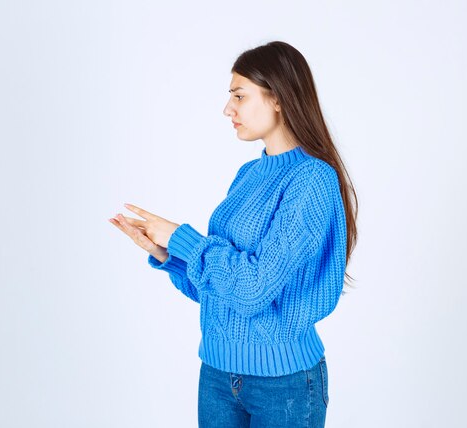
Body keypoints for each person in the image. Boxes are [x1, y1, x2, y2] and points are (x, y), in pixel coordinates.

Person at [109, 40, 358, 428]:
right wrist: (167, 255)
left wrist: (184, 239)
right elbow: (223, 292)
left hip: (284, 384)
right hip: (217, 375)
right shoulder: (249, 176)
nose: (229, 109)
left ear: (277, 98)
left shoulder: (312, 180)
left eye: (239, 96)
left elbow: (254, 288)